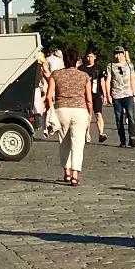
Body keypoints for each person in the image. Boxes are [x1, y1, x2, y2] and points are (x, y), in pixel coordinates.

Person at [47, 49, 92, 186]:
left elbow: (49, 96)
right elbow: (88, 99)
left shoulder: (56, 74)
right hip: (80, 110)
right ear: (77, 61)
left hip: (61, 110)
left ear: (64, 61)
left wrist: (51, 109)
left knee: (64, 142)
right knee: (78, 144)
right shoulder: (84, 76)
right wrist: (90, 113)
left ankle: (67, 172)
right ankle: (75, 175)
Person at [107, 47, 135, 148]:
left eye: (120, 54)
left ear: (124, 54)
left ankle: (132, 138)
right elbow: (108, 80)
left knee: (131, 116)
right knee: (118, 118)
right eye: (116, 54)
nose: (118, 56)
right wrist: (108, 95)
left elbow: (133, 79)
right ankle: (122, 140)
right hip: (116, 95)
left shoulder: (129, 65)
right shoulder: (111, 66)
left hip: (128, 94)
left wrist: (134, 94)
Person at [80, 48, 106, 143]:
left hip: (96, 94)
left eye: (91, 56)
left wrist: (105, 95)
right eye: (88, 56)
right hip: (85, 95)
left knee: (98, 114)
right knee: (88, 115)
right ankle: (87, 134)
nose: (89, 58)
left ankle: (101, 133)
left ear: (95, 57)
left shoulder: (98, 68)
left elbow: (102, 82)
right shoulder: (81, 69)